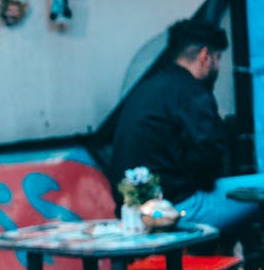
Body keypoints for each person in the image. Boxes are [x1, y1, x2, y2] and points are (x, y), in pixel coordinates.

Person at [109, 17, 260, 238]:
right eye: (217, 58)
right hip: (179, 209)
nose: (216, 66)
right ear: (204, 56)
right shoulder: (193, 93)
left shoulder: (146, 89)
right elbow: (208, 159)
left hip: (135, 213)